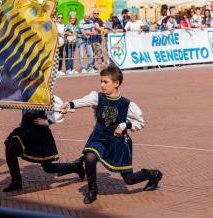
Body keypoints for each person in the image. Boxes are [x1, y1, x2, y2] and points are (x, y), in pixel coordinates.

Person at [60, 65, 163, 204]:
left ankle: (153, 174)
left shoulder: (127, 104)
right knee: (90, 157)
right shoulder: (97, 97)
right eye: (101, 81)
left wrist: (125, 125)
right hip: (99, 138)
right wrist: (69, 104)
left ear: (116, 83)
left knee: (129, 179)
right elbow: (83, 101)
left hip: (118, 143)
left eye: (105, 82)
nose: (102, 85)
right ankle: (93, 189)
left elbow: (140, 122)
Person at [0, 102, 85, 192]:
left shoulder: (45, 93)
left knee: (48, 168)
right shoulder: (24, 91)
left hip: (40, 135)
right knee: (10, 146)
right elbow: (10, 102)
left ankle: (76, 167)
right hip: (24, 131)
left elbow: (60, 110)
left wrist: (48, 122)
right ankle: (16, 181)